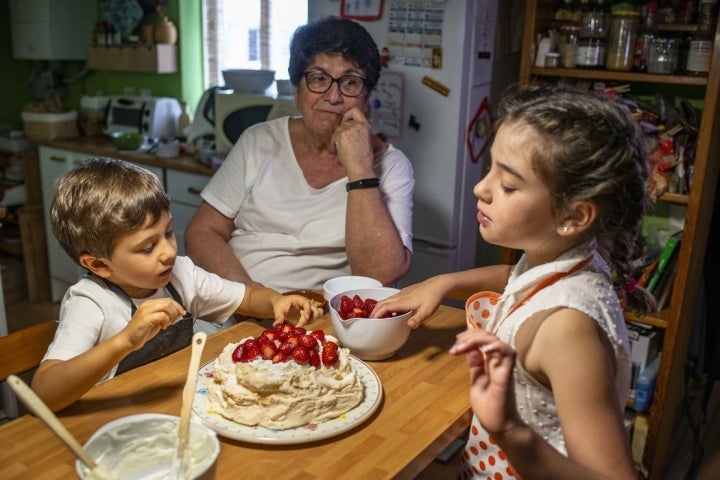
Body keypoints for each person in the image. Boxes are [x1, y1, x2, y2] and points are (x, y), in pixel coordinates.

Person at [372, 84, 655, 479]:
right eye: (490, 169)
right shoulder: (568, 259)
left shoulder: (566, 330)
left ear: (573, 216)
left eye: (508, 185)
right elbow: (518, 278)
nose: (480, 188)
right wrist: (444, 282)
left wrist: (510, 431)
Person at [32, 158, 323, 412]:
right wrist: (125, 341)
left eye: (168, 232)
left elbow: (246, 297)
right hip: (119, 421)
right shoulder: (91, 303)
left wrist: (274, 301)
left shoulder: (180, 273)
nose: (169, 251)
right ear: (99, 265)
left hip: (180, 405)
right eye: (147, 248)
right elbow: (45, 392)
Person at [184, 16, 414, 293]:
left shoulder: (392, 165)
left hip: (317, 321)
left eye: (350, 83)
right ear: (296, 91)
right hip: (238, 301)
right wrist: (251, 295)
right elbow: (202, 232)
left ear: (366, 97)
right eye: (318, 79)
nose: (333, 96)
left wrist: (360, 169)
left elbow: (378, 275)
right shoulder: (258, 140)